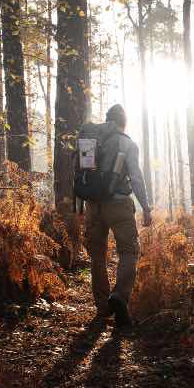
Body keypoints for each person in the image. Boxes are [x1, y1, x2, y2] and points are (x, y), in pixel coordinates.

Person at [84, 104, 151, 328]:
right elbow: (136, 178)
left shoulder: (92, 139)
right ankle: (120, 297)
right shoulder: (127, 143)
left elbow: (83, 171)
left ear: (107, 120)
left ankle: (103, 308)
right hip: (119, 204)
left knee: (98, 256)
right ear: (124, 122)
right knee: (129, 251)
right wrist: (146, 207)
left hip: (93, 205)